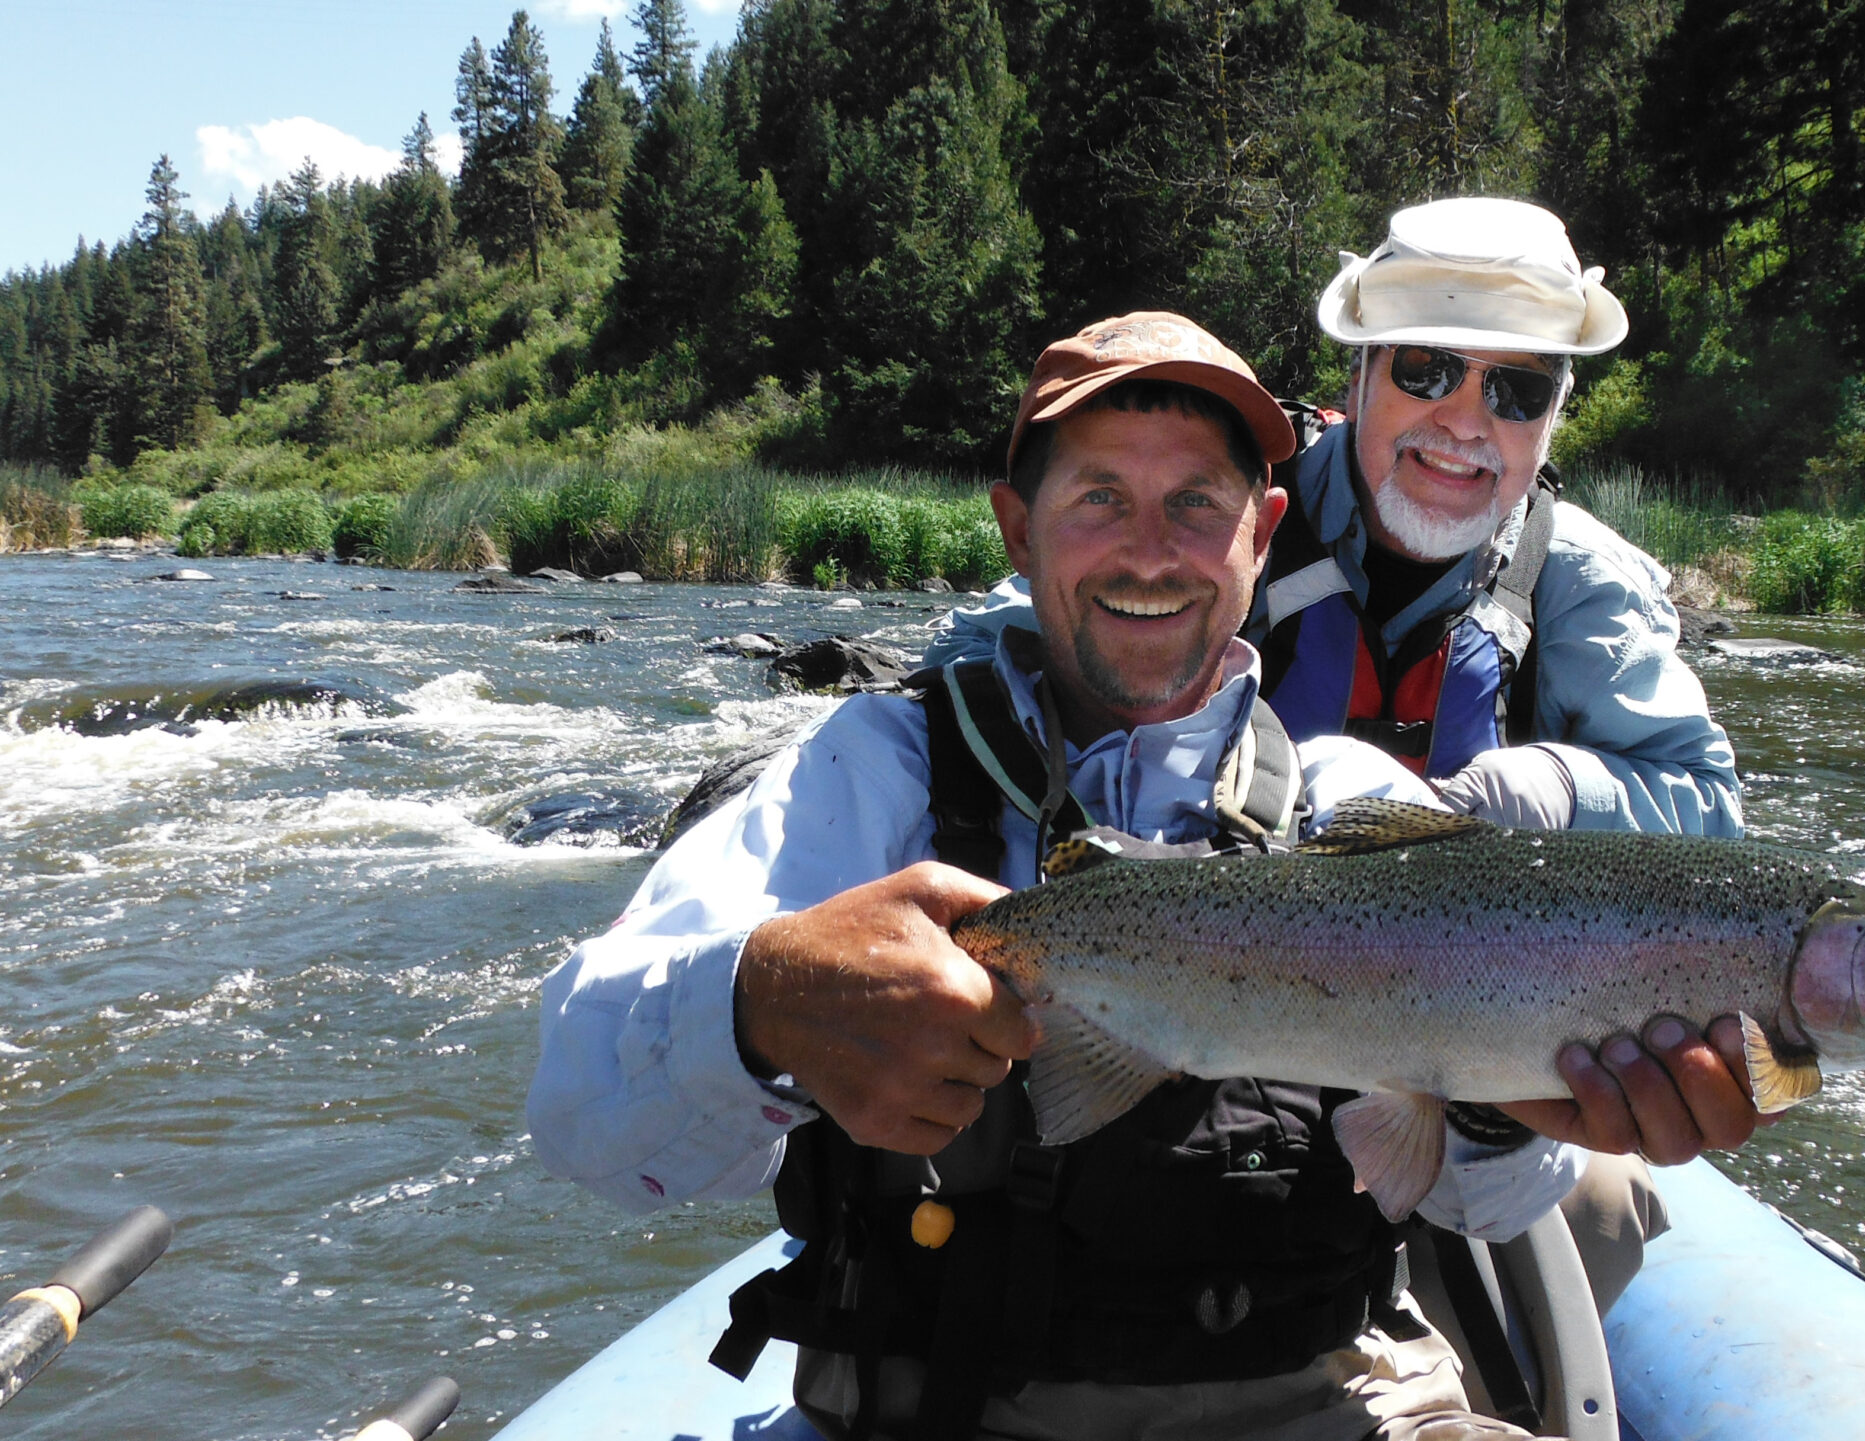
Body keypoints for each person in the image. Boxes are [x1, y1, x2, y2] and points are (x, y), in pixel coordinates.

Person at [526, 312, 1763, 1441]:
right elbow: (578, 1111)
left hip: (1326, 1410)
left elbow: (1496, 1207)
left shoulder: (1351, 803)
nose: (1151, 554)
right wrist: (763, 996)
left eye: (1196, 505)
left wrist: (1506, 1105)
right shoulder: (873, 775)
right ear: (1017, 527)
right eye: (1099, 500)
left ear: (1262, 533)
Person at [923, 198, 1755, 1310]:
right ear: (1358, 372)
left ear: (1556, 413)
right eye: (1427, 369)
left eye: (1517, 391)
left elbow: (1706, 808)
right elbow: (1030, 623)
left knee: (1601, 1212)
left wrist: (1545, 789)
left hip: (1468, 1027)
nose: (1466, 423)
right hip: (1202, 990)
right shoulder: (1220, 524)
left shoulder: (1583, 581)